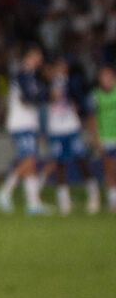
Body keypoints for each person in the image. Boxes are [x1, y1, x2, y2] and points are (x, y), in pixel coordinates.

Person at [0, 47, 49, 214]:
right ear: (28, 57)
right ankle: (5, 191)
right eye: (35, 57)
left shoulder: (32, 77)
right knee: (29, 159)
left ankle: (33, 203)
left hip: (29, 123)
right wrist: (43, 94)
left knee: (31, 163)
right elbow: (28, 98)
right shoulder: (22, 75)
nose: (38, 61)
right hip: (20, 123)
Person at [42, 64, 90, 216]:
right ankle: (64, 200)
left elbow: (80, 99)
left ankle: (93, 195)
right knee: (60, 164)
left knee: (81, 160)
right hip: (56, 130)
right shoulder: (44, 85)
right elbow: (43, 100)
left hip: (72, 128)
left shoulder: (72, 83)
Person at [92, 66, 116, 212]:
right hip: (106, 136)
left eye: (109, 76)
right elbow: (93, 118)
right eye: (103, 76)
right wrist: (96, 136)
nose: (106, 79)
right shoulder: (96, 95)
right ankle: (113, 200)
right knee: (110, 169)